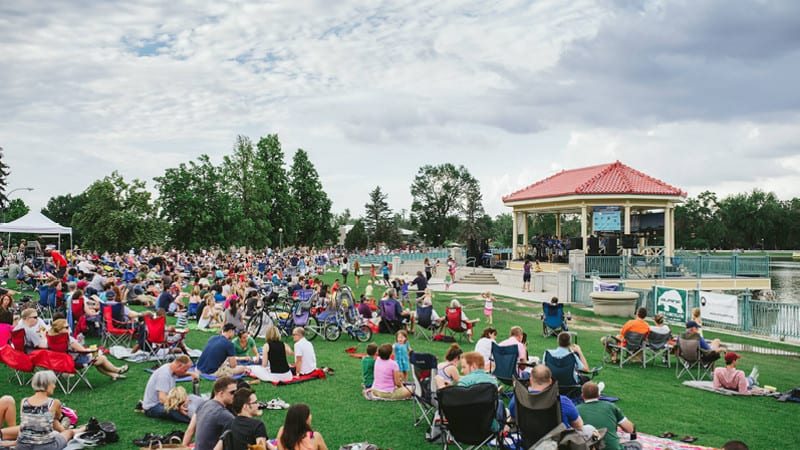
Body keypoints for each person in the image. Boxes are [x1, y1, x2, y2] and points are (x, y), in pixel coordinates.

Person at [47, 319, 129, 381]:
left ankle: (113, 374)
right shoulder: (68, 339)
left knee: (97, 359)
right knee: (101, 358)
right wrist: (94, 349)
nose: (69, 328)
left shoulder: (52, 339)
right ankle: (118, 370)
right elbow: (83, 350)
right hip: (76, 361)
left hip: (61, 362)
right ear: (60, 329)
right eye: (67, 327)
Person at [509, 365, 585, 431]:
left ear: (531, 380)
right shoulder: (562, 401)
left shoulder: (518, 400)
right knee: (588, 429)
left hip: (528, 443)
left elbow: (513, 422)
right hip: (557, 444)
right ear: (550, 381)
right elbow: (579, 426)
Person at [14, 371, 76, 450]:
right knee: (69, 432)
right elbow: (58, 417)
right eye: (53, 383)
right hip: (46, 446)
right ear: (48, 384)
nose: (54, 386)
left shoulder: (24, 401)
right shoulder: (54, 402)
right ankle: (83, 428)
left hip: (22, 446)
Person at [140, 355, 199, 422]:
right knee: (177, 411)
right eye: (185, 370)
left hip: (165, 400)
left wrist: (191, 374)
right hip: (153, 406)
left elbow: (178, 374)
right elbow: (162, 399)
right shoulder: (164, 375)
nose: (185, 371)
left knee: (189, 400)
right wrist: (178, 407)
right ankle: (196, 421)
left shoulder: (170, 367)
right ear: (179, 366)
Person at [577, 382, 635, 450]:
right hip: (613, 448)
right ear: (599, 395)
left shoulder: (576, 410)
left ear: (582, 396)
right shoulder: (610, 406)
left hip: (589, 446)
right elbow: (630, 429)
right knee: (635, 445)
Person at [183, 377, 237, 450]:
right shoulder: (225, 415)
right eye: (232, 392)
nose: (235, 395)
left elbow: (190, 431)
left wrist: (182, 448)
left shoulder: (203, 405)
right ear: (221, 394)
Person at [456, 352, 504, 431]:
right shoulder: (493, 382)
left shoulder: (464, 382)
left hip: (466, 426)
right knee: (500, 403)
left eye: (464, 367)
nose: (461, 371)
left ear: (474, 366)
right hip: (489, 426)